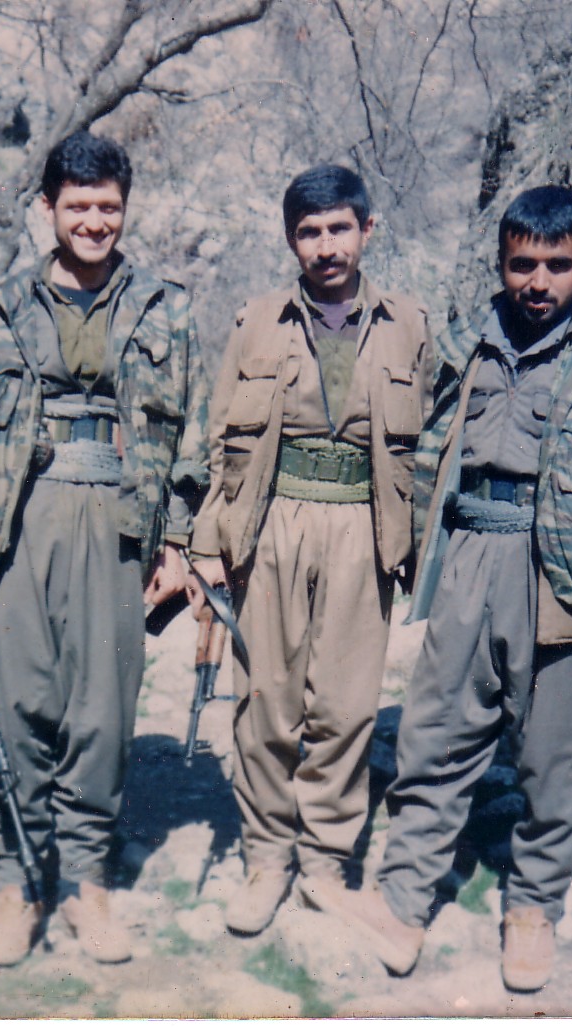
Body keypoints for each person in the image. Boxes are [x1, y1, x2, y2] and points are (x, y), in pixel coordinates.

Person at [311, 185, 572, 990]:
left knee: (552, 756)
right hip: (471, 552)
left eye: (558, 265)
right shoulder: (462, 348)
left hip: (567, 578)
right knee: (436, 736)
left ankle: (533, 909)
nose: (539, 282)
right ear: (501, 263)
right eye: (523, 265)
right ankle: (403, 905)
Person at [0, 130, 209, 967]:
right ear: (47, 208)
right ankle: (18, 879)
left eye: (109, 208)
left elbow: (193, 438)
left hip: (120, 520)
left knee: (102, 708)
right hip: (15, 520)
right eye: (78, 207)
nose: (94, 222)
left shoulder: (165, 308)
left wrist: (180, 541)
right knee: (20, 702)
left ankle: (88, 880)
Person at [190, 164, 433, 936]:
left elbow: (429, 446)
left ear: (367, 229)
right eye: (308, 232)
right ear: (291, 240)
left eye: (339, 229)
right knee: (266, 700)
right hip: (272, 523)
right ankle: (266, 859)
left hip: (364, 526)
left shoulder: (410, 325)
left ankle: (325, 860)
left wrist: (417, 545)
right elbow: (219, 440)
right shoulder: (257, 322)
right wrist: (207, 546)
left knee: (346, 704)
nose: (326, 246)